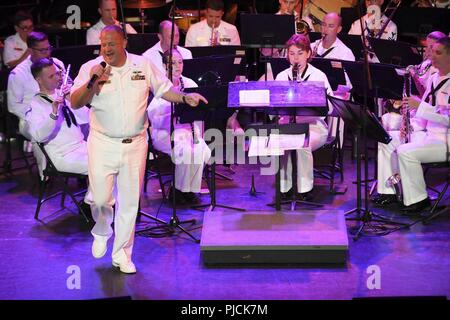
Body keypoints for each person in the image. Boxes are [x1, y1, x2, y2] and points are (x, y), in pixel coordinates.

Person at [70, 25, 207, 274]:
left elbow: (165, 90)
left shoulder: (142, 64)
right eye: (103, 44)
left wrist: (186, 98)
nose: (106, 49)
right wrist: (92, 82)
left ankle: (122, 254)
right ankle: (101, 230)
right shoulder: (91, 69)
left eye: (111, 43)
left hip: (135, 144)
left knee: (130, 203)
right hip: (102, 143)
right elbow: (75, 101)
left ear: (124, 42)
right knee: (100, 199)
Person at [372, 37, 450, 213]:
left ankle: (418, 199)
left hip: (445, 141)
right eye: (432, 52)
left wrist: (419, 106)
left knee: (406, 152)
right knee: (387, 139)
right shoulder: (434, 77)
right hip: (429, 134)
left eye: (439, 53)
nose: (432, 57)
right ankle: (389, 191)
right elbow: (428, 111)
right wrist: (411, 124)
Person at [148, 49, 211, 205]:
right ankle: (178, 191)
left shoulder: (189, 83)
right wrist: (174, 110)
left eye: (180, 62)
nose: (177, 66)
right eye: (172, 63)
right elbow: (153, 116)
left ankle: (189, 190)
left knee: (202, 149)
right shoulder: (159, 84)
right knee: (185, 150)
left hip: (187, 130)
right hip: (164, 132)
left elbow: (199, 112)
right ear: (164, 65)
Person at [274, 34, 333, 198]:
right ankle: (285, 187)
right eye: (291, 54)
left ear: (308, 54)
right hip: (288, 123)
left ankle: (305, 189)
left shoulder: (319, 76)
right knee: (283, 142)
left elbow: (329, 108)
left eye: (300, 53)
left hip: (314, 126)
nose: (295, 58)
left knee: (302, 143)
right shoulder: (281, 76)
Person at [7, 32, 89, 141]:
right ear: (30, 51)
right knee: (56, 132)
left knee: (87, 117)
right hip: (36, 117)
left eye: (48, 48)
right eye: (42, 50)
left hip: (62, 108)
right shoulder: (18, 74)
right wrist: (42, 110)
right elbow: (13, 106)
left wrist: (65, 88)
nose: (47, 53)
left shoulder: (56, 63)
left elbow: (68, 90)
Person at [26, 58, 88, 177]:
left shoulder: (64, 94)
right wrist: (54, 114)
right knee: (102, 165)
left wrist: (72, 99)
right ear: (39, 80)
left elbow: (87, 118)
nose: (58, 78)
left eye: (57, 74)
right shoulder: (35, 104)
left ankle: (98, 195)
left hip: (81, 146)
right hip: (62, 154)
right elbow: (39, 137)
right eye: (51, 76)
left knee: (116, 158)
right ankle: (95, 196)